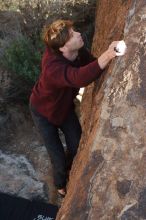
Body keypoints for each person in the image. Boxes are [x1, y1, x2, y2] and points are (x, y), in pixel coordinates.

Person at [29, 19, 124, 197]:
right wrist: (109, 55)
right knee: (57, 159)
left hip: (64, 109)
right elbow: (79, 78)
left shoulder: (76, 52)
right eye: (72, 35)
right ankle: (60, 186)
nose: (78, 34)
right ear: (63, 48)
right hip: (43, 113)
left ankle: (71, 168)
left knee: (77, 145)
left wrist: (112, 54)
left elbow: (93, 66)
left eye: (74, 31)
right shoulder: (52, 67)